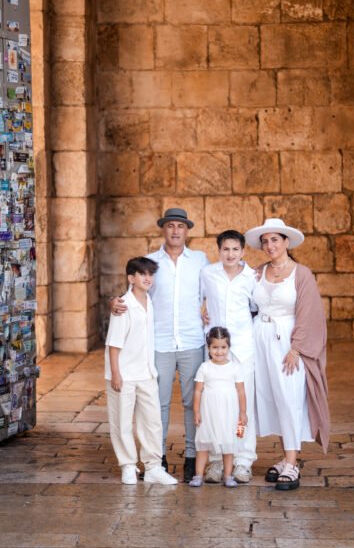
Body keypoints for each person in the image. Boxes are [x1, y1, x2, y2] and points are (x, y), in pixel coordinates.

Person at [110, 208, 208, 483]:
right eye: (170, 226)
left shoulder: (200, 260)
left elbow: (211, 291)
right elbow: (133, 292)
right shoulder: (151, 262)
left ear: (187, 230)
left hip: (191, 340)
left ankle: (191, 457)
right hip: (160, 343)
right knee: (157, 405)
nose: (176, 231)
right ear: (163, 230)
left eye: (180, 226)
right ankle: (158, 459)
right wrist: (112, 301)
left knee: (192, 402)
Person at [244, 217, 329, 491]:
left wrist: (297, 349)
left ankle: (292, 462)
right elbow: (240, 299)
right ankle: (285, 456)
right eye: (265, 241)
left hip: (287, 344)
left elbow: (310, 313)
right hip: (260, 340)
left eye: (275, 240)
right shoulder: (257, 273)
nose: (269, 246)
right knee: (270, 397)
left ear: (286, 242)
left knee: (289, 396)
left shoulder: (300, 274)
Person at [104, 256, 177, 486]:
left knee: (152, 421)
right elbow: (113, 344)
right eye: (142, 274)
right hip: (124, 373)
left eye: (150, 274)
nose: (147, 278)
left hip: (147, 372)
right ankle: (127, 466)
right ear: (131, 278)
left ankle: (154, 466)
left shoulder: (149, 302)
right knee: (122, 421)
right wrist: (116, 374)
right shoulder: (123, 306)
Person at [200, 230, 257, 483]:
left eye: (235, 249)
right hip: (215, 350)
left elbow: (256, 308)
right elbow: (197, 300)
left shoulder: (252, 277)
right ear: (219, 250)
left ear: (243, 251)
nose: (230, 254)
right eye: (225, 249)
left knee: (243, 406)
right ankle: (215, 459)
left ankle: (243, 460)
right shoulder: (208, 274)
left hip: (242, 349)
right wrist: (202, 315)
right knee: (213, 405)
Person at [190, 327, 247, 488]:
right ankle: (198, 475)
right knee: (203, 442)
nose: (219, 351)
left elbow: (241, 390)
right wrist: (196, 411)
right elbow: (198, 391)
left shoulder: (235, 367)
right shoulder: (204, 367)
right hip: (208, 411)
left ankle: (228, 475)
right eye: (215, 347)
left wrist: (243, 412)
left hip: (229, 411)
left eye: (223, 347)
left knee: (229, 443)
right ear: (208, 348)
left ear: (229, 348)